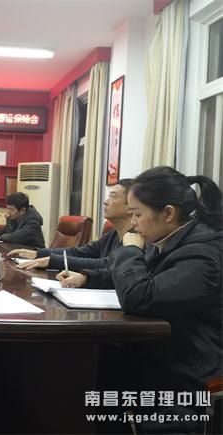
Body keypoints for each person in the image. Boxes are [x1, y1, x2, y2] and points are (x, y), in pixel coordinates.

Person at [111, 166, 222, 433]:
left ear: (168, 213)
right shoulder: (174, 241)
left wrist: (129, 250)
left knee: (96, 377)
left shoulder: (203, 255)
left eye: (137, 214)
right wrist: (88, 277)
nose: (133, 223)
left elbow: (140, 297)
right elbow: (141, 274)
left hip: (189, 378)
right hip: (165, 356)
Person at [9, 179, 134, 289]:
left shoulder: (137, 240)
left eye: (113, 196)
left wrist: (53, 261)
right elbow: (79, 252)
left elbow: (107, 264)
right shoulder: (113, 235)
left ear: (131, 207)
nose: (106, 202)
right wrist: (38, 253)